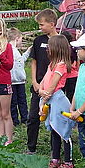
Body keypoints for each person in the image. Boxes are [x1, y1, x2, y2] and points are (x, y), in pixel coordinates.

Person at [39, 35, 74, 168]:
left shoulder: (61, 65)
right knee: (54, 129)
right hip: (50, 99)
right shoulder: (51, 64)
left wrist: (44, 96)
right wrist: (42, 92)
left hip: (57, 100)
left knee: (64, 131)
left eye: (49, 46)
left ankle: (68, 161)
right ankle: (55, 158)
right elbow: (44, 82)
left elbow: (53, 85)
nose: (47, 48)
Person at [26, 9, 58, 154]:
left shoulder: (62, 40)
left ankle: (55, 149)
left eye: (42, 25)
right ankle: (31, 148)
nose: (40, 28)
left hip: (56, 87)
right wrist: (34, 81)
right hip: (39, 86)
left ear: (52, 24)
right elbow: (34, 61)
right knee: (33, 117)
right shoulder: (39, 40)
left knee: (53, 119)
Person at [7, 28, 30, 126]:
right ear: (17, 39)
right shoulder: (10, 50)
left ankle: (24, 118)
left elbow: (21, 61)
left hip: (20, 81)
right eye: (21, 39)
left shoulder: (15, 50)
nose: (21, 41)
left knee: (21, 100)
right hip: (13, 81)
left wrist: (28, 52)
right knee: (15, 102)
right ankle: (16, 120)